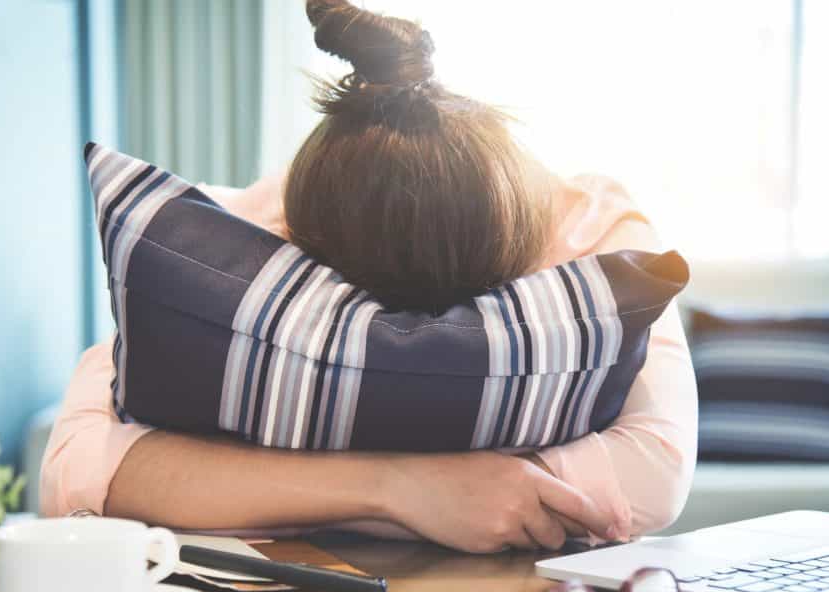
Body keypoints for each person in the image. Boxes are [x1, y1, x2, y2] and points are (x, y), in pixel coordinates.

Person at [41, 0, 697, 553]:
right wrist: (404, 489)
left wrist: (254, 486)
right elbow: (74, 470)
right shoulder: (249, 236)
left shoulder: (590, 235)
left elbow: (655, 469)